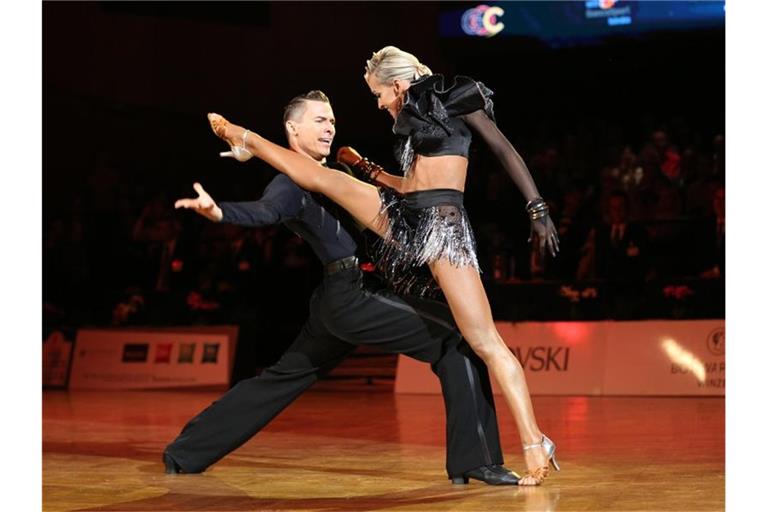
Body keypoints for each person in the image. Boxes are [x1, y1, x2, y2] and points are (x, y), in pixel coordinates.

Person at [206, 47, 561, 485]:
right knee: (325, 178)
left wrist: (536, 207)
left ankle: (534, 443)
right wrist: (366, 168)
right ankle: (246, 139)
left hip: (442, 228)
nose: (377, 103)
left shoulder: (455, 94)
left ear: (395, 84)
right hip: (407, 212)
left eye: (377, 94)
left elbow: (503, 150)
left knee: (486, 343)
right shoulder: (409, 115)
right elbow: (413, 184)